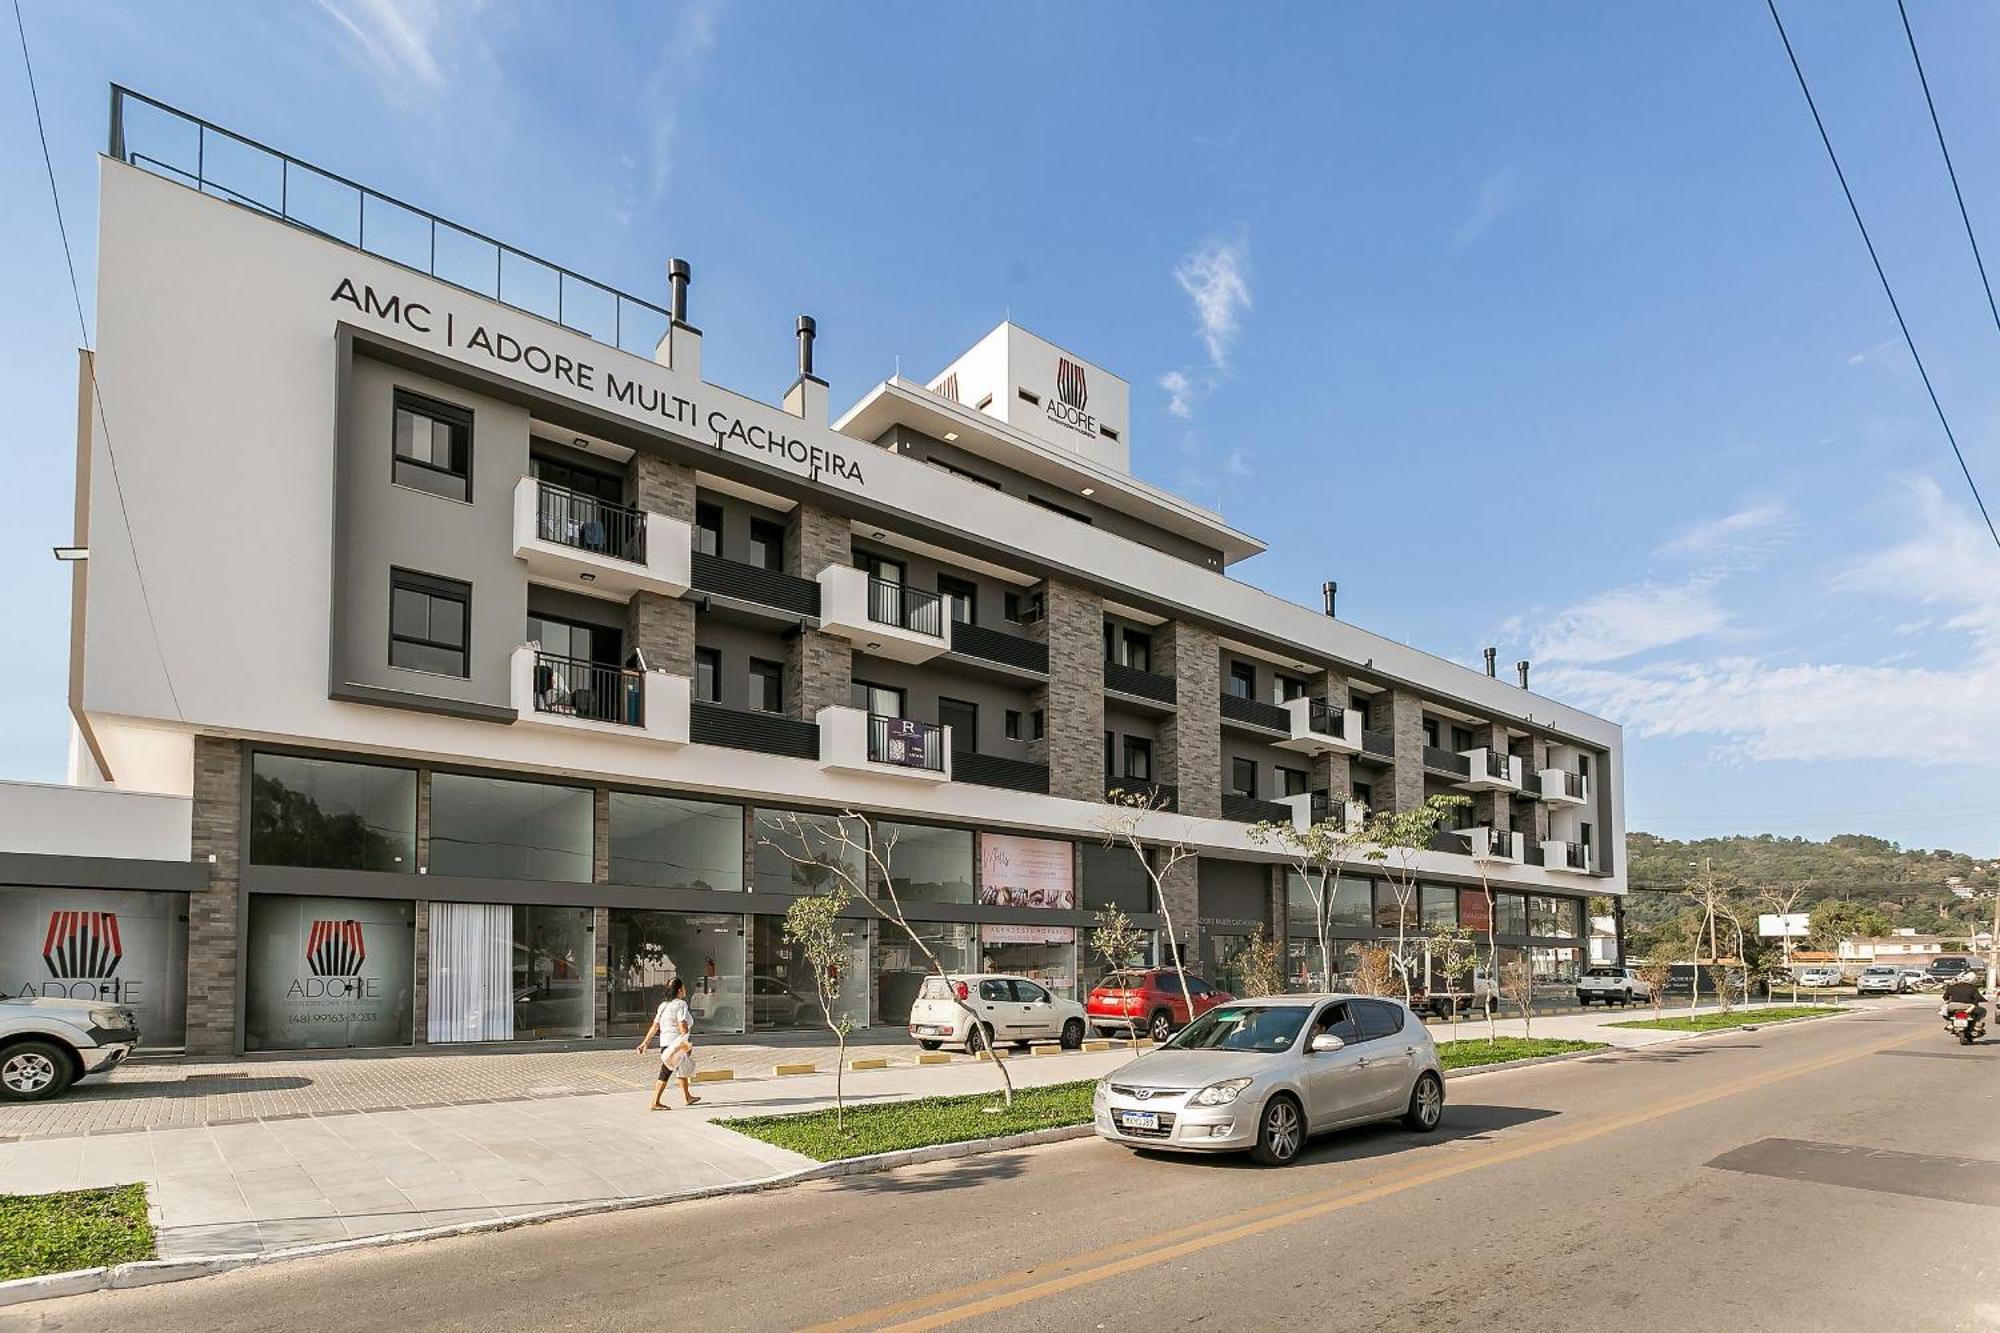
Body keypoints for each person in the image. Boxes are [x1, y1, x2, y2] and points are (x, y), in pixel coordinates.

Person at [635, 977, 702, 1110]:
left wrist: (645, 1043)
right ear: (679, 989)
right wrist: (686, 1043)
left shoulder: (663, 1005)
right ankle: (655, 1102)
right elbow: (682, 1024)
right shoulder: (681, 1004)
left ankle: (687, 1096)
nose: (685, 990)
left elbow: (655, 1026)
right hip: (676, 1044)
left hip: (665, 1044)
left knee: (682, 1068)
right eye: (683, 987)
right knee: (666, 1072)